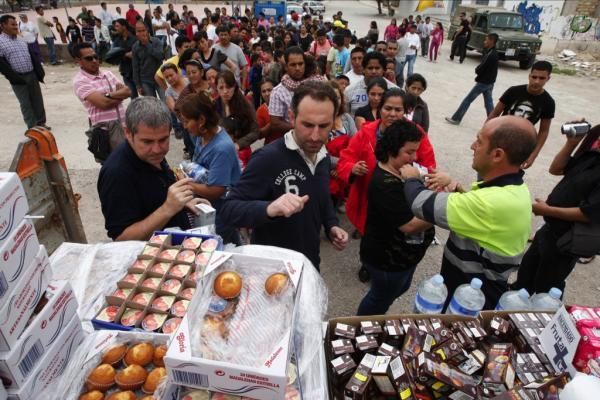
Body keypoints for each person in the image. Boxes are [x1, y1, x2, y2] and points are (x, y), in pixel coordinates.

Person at [400, 116, 537, 309]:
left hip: (469, 302)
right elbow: (482, 213)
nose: (472, 146)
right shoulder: (513, 188)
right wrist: (458, 190)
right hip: (477, 290)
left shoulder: (490, 203)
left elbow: (420, 203)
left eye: (479, 141)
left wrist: (411, 177)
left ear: (497, 155)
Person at [220, 81, 349, 269]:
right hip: (273, 270)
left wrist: (331, 226)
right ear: (291, 116)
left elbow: (321, 198)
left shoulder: (322, 156)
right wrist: (269, 208)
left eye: (323, 126)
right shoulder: (267, 159)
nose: (315, 136)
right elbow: (229, 210)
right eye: (307, 125)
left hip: (309, 263)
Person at [337, 89, 436, 281]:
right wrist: (352, 168)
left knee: (396, 232)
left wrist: (415, 174)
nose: (392, 114)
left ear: (405, 111)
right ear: (379, 108)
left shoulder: (416, 133)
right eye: (387, 108)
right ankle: (368, 264)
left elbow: (428, 164)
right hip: (369, 195)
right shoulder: (366, 133)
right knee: (371, 232)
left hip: (399, 195)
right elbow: (345, 158)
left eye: (398, 109)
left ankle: (390, 265)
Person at [98, 97, 203, 241]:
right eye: (147, 141)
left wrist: (184, 204)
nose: (157, 149)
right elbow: (122, 239)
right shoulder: (117, 174)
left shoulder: (150, 154)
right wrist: (168, 209)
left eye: (163, 140)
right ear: (128, 133)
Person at [357, 120, 434, 315]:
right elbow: (409, 226)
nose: (415, 157)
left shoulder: (400, 171)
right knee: (379, 298)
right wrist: (443, 212)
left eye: (416, 151)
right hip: (387, 260)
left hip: (405, 257)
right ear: (392, 150)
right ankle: (361, 328)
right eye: (409, 152)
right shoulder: (385, 184)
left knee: (399, 288)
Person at [514, 123, 600, 295]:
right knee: (524, 279)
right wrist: (571, 143)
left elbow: (588, 213)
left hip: (567, 240)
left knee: (546, 290)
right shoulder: (594, 146)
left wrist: (547, 210)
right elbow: (556, 169)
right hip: (548, 230)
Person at [177, 93, 241, 244]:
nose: (184, 126)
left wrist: (186, 183)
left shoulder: (221, 148)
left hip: (220, 214)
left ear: (201, 120)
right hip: (206, 210)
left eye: (186, 121)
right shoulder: (202, 135)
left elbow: (216, 190)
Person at [487, 61, 555, 169]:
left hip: (520, 146)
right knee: (486, 170)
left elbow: (543, 131)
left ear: (548, 79)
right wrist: (483, 134)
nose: (536, 81)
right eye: (534, 77)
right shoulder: (513, 91)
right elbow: (495, 113)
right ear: (529, 76)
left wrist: (533, 155)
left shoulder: (548, 102)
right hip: (499, 138)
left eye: (542, 78)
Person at [73, 43, 130, 161]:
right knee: (115, 165)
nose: (94, 61)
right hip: (106, 132)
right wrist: (118, 96)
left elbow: (128, 92)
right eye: (89, 58)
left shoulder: (107, 74)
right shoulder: (80, 81)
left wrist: (108, 96)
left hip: (124, 125)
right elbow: (103, 104)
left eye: (95, 57)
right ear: (78, 61)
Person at [268, 46, 327, 142]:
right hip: (292, 141)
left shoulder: (318, 83)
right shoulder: (278, 92)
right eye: (293, 65)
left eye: (300, 64)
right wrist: (301, 128)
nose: (297, 68)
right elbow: (275, 123)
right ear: (286, 67)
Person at [0, 14, 47, 129]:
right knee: (26, 104)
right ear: (3, 26)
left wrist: (38, 72)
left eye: (16, 24)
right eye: (12, 24)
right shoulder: (1, 42)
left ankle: (41, 123)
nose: (16, 27)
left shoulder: (21, 40)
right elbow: (1, 64)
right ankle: (33, 128)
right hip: (18, 78)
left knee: (37, 100)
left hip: (31, 74)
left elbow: (32, 56)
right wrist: (13, 77)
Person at [445, 33, 499, 125]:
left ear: (492, 41)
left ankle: (456, 118)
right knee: (488, 103)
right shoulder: (493, 52)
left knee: (468, 100)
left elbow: (482, 67)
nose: (484, 41)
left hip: (484, 82)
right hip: (489, 82)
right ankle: (494, 123)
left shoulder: (491, 54)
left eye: (486, 40)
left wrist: (477, 70)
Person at [215, 70, 260, 167]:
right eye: (221, 88)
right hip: (220, 151)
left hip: (241, 151)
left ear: (234, 86)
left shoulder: (245, 104)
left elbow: (255, 131)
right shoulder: (214, 106)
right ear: (216, 88)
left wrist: (238, 144)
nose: (225, 91)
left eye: (228, 87)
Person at [326, 80, 357, 208]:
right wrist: (338, 166)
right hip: (327, 169)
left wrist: (344, 166)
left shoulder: (347, 118)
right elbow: (319, 153)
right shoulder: (318, 120)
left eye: (338, 98)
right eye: (331, 98)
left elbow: (356, 144)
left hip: (346, 166)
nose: (335, 101)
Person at [345, 51, 397, 116]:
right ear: (363, 69)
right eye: (370, 68)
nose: (374, 71)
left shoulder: (393, 90)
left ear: (383, 70)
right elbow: (345, 118)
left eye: (377, 68)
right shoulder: (349, 91)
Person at [132, 21, 165, 99]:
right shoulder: (135, 47)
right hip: (145, 81)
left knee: (166, 102)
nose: (141, 33)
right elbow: (135, 67)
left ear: (147, 30)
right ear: (136, 32)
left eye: (143, 30)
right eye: (138, 31)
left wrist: (147, 44)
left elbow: (160, 56)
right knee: (152, 106)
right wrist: (138, 85)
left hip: (159, 77)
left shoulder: (156, 42)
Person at [112, 19, 138, 99]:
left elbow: (137, 54)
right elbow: (114, 55)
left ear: (124, 27)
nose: (116, 28)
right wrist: (126, 54)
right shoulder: (117, 41)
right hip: (125, 71)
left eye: (117, 26)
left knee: (147, 94)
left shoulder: (134, 39)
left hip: (137, 71)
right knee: (133, 96)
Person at [162, 63, 188, 142]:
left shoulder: (188, 81)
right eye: (166, 77)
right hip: (185, 123)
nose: (169, 79)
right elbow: (174, 109)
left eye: (171, 75)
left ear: (177, 73)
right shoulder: (168, 92)